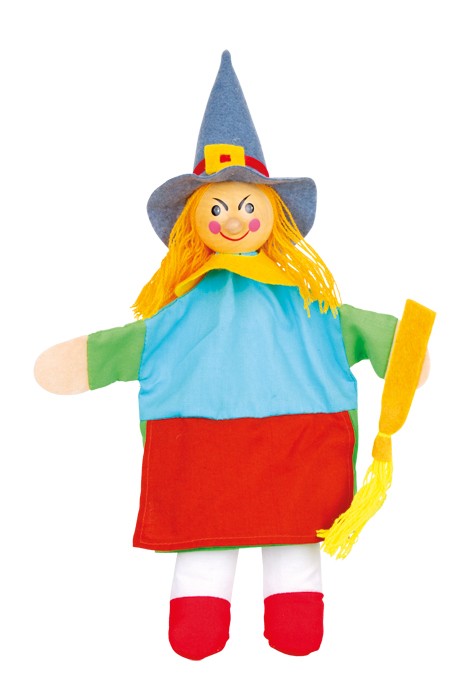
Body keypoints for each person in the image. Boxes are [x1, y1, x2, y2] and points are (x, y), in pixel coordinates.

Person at [34, 51, 427, 660]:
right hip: (208, 456)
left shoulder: (311, 303)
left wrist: (400, 348)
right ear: (195, 221)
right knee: (208, 545)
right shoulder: (180, 308)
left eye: (247, 205)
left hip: (292, 450)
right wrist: (87, 358)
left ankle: (283, 613)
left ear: (274, 216)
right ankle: (209, 613)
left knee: (291, 540)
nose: (234, 219)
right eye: (217, 208)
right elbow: (132, 343)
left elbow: (362, 329)